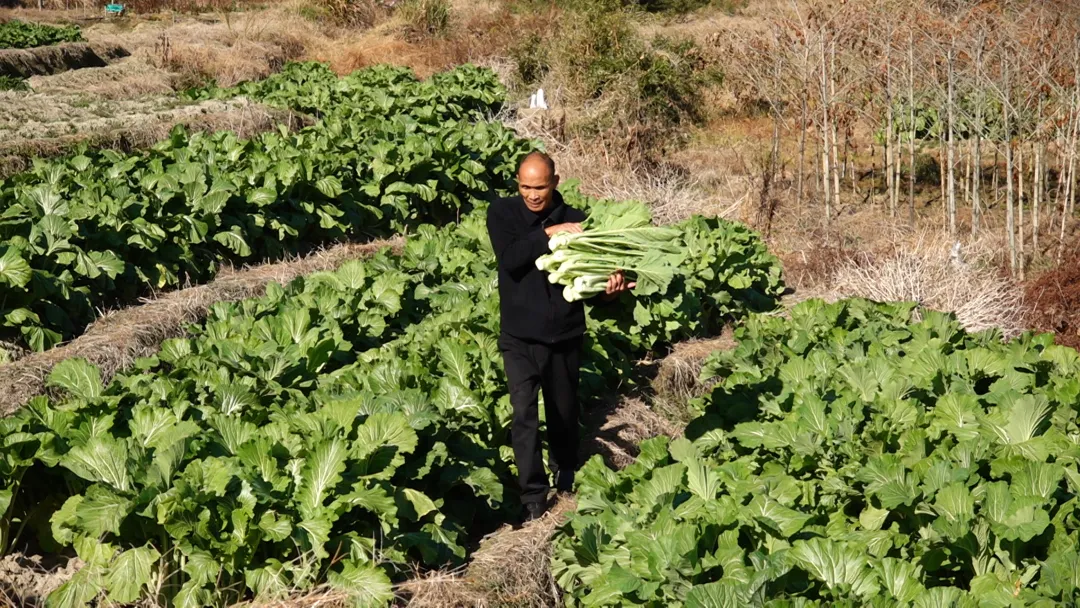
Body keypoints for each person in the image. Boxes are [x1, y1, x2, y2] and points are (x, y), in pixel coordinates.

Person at [486, 151, 634, 524]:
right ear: (517, 184)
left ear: (555, 182)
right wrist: (549, 233)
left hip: (564, 334)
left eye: (540, 187)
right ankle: (533, 495)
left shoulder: (578, 221)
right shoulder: (503, 214)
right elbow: (511, 259)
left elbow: (592, 289)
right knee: (523, 415)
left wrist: (610, 289)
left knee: (563, 411)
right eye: (525, 187)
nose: (532, 195)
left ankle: (565, 470)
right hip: (518, 336)